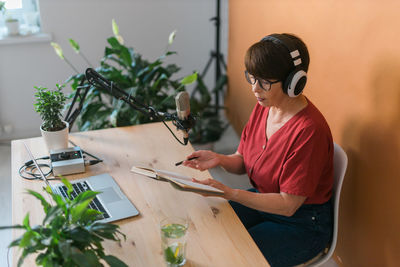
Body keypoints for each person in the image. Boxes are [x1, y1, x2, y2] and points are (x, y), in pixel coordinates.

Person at [183, 33, 333, 267]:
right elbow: (243, 161)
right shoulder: (266, 106)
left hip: (301, 224)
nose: (255, 88)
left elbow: (288, 205)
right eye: (251, 78)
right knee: (208, 226)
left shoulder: (309, 131)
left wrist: (230, 193)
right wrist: (219, 158)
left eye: (264, 82)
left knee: (233, 257)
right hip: (263, 200)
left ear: (294, 82)